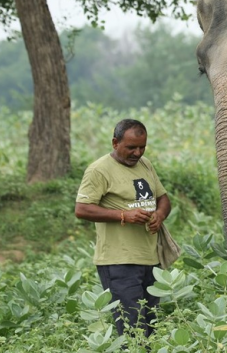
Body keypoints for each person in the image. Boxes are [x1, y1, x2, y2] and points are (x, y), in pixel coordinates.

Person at [75, 119, 172, 338]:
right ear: (115, 143)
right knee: (131, 329)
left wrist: (160, 214)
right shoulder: (99, 170)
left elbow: (163, 198)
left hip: (150, 259)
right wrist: (123, 215)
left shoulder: (145, 164)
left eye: (142, 147)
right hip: (119, 262)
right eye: (131, 147)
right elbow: (82, 209)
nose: (137, 153)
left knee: (151, 327)